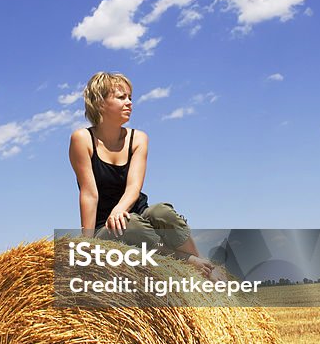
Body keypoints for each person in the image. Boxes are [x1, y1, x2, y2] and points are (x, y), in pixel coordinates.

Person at [69, 71, 218, 278]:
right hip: (106, 225)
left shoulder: (138, 138)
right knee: (130, 225)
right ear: (100, 102)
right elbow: (89, 193)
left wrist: (120, 208)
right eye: (121, 97)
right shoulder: (82, 139)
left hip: (136, 211)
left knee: (162, 212)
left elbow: (134, 187)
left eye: (130, 97)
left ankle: (205, 275)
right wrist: (87, 243)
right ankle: (187, 262)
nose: (129, 103)